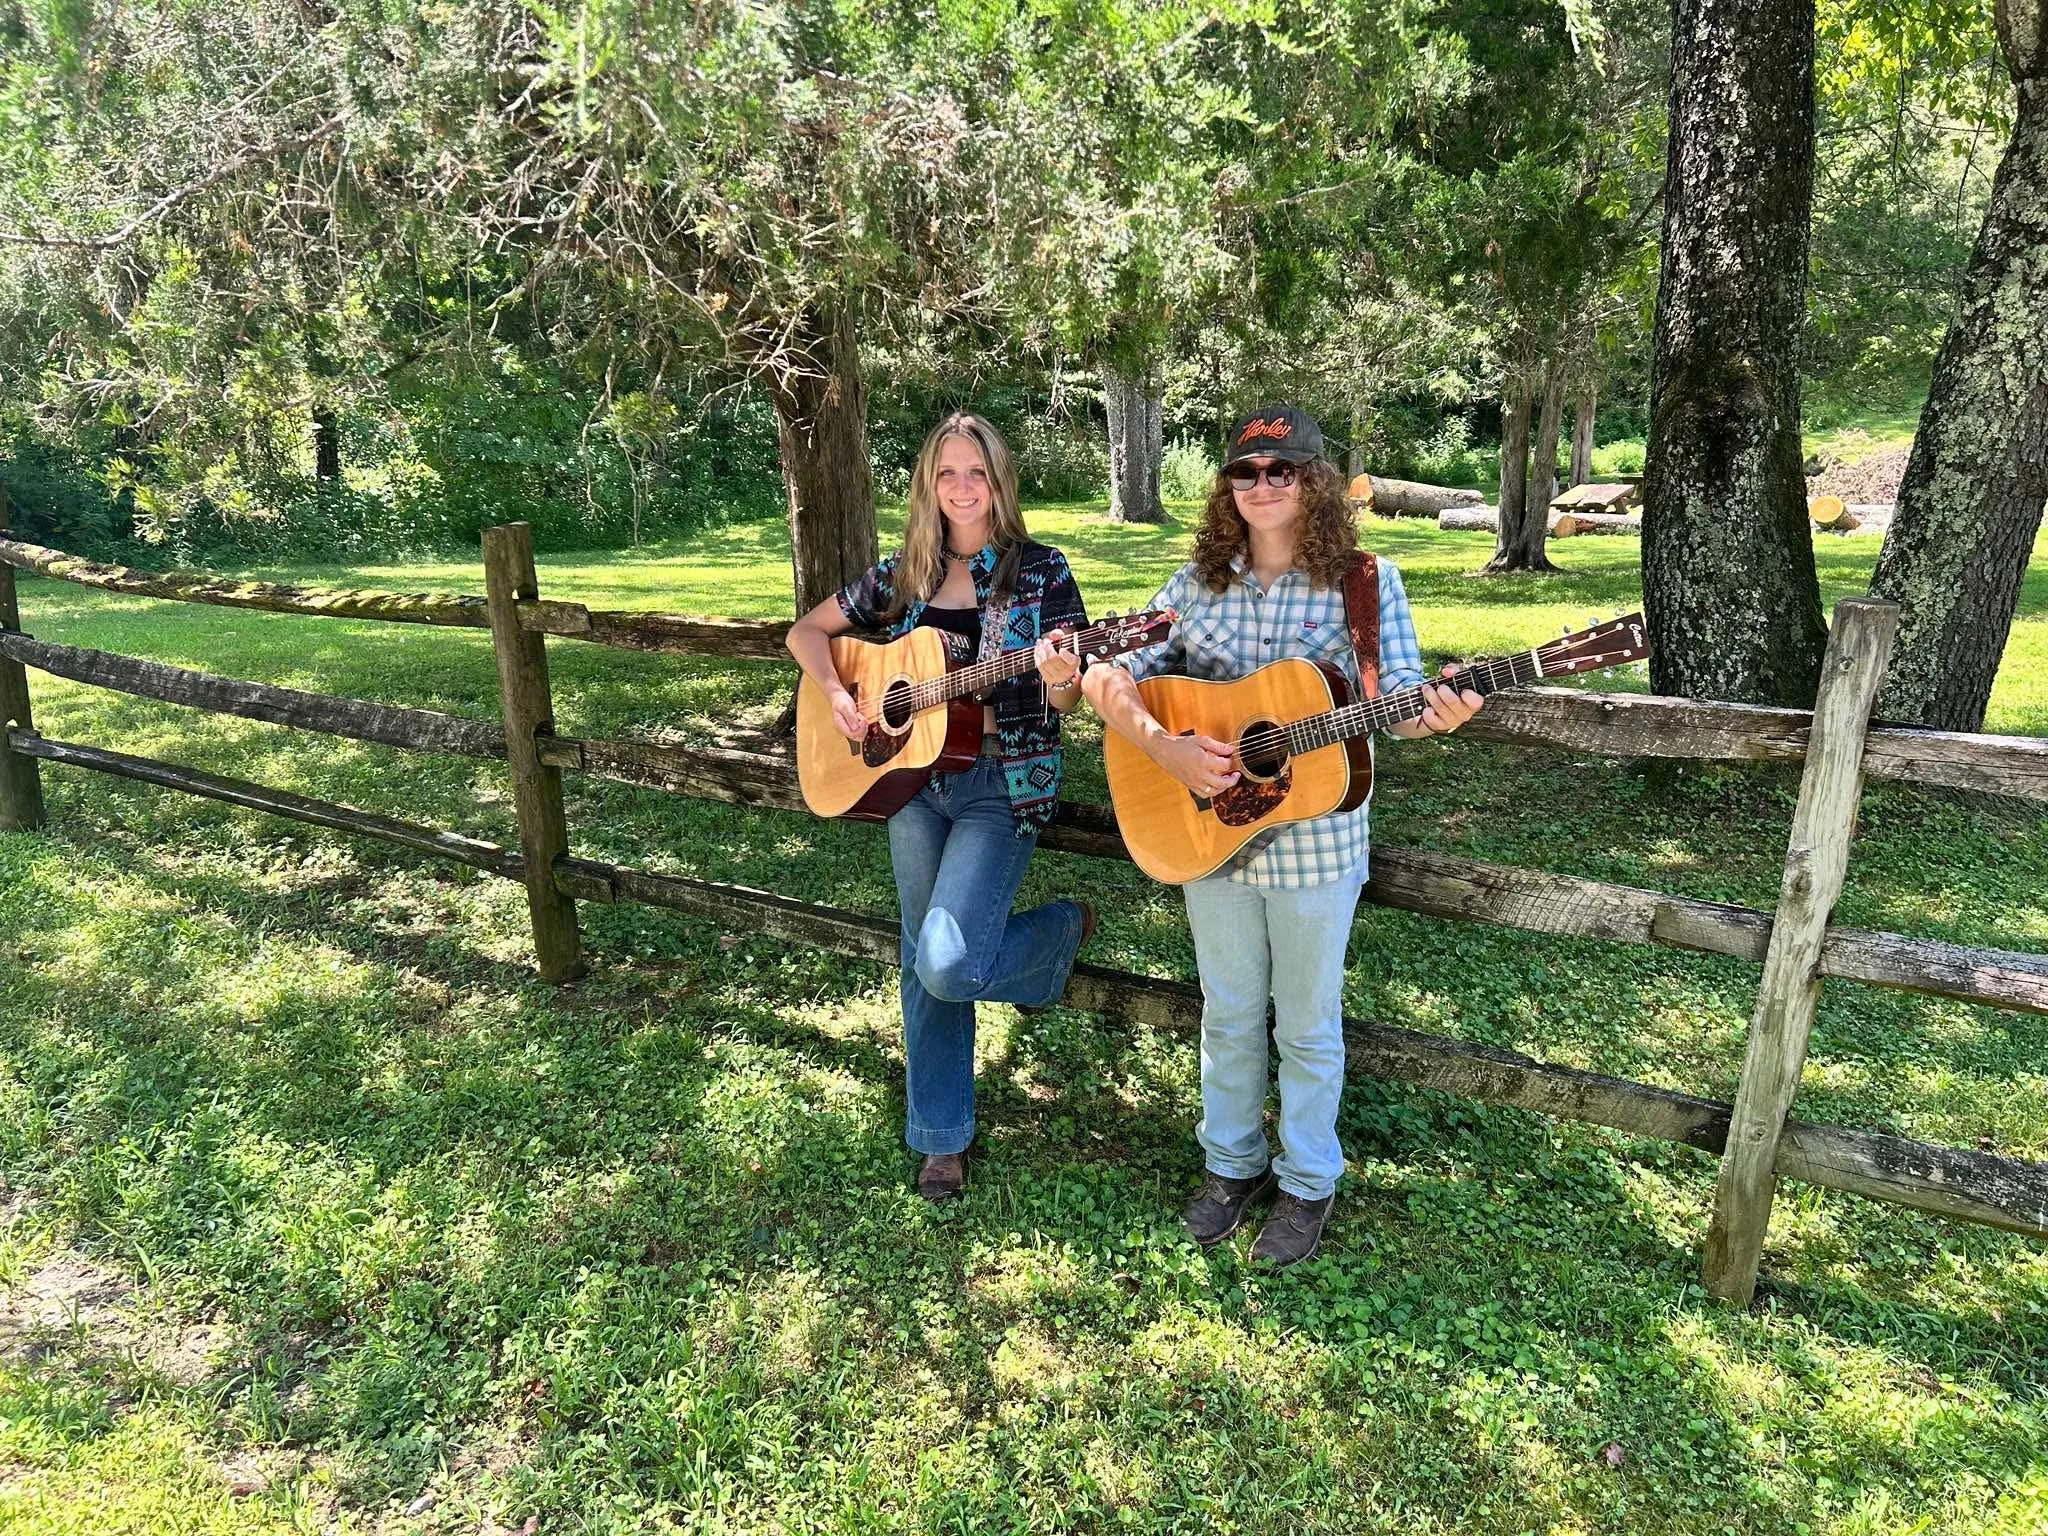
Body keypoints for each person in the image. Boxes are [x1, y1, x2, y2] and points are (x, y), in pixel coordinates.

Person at [1082, 404, 1485, 1266]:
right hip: (1206, 836)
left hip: (1315, 847)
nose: (1263, 486)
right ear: (1227, 487)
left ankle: (1307, 1183)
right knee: (1228, 1014)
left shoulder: (1366, 583)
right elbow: (1106, 675)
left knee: (1305, 1024)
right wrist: (1166, 748)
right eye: (1245, 472)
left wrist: (1438, 715)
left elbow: (1397, 704)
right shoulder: (1196, 585)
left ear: (1317, 482)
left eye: (1283, 470)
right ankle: (1230, 1167)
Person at [787, 412, 1095, 1201]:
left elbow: (1067, 693)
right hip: (911, 783)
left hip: (1001, 779)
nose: (963, 488)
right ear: (928, 484)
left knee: (949, 959)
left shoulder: (1041, 571)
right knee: (919, 957)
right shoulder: (907, 571)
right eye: (947, 473)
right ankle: (940, 1136)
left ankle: (1058, 933)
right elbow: (808, 633)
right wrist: (838, 695)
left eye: (977, 473)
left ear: (1000, 483)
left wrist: (1062, 673)